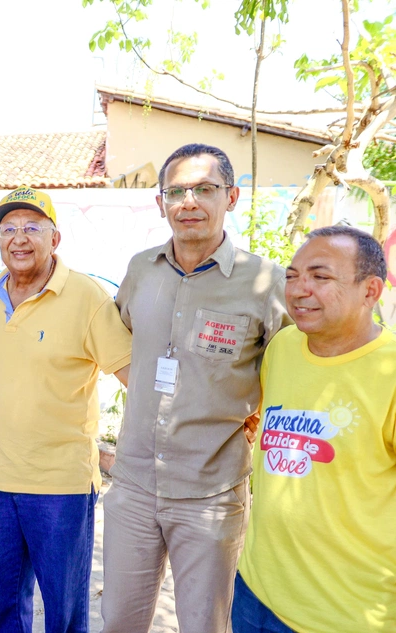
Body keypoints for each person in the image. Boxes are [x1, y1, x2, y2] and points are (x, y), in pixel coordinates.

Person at [101, 143, 292, 633]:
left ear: (231, 196)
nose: (189, 202)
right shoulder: (141, 269)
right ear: (160, 202)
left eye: (204, 189)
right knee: (119, 620)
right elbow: (125, 332)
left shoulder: (265, 282)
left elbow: (291, 367)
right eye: (176, 191)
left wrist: (257, 414)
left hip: (211, 493)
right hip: (134, 486)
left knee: (205, 624)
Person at [0, 186, 131, 633]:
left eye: (32, 228)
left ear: (54, 238)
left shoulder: (86, 296)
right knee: (4, 606)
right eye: (9, 229)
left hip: (61, 485)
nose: (19, 238)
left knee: (64, 609)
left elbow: (132, 375)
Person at [233, 226, 396, 633]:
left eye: (320, 277)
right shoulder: (284, 347)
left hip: (345, 614)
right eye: (291, 276)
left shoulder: (389, 372)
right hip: (255, 590)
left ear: (371, 291)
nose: (299, 290)